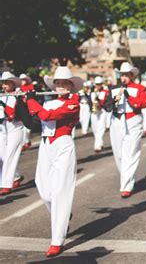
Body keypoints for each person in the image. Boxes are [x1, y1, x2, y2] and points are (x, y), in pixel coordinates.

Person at [25, 66, 83, 257]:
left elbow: (50, 117)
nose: (60, 86)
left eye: (64, 83)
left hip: (63, 146)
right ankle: (63, 217)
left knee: (60, 191)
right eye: (57, 83)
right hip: (45, 145)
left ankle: (57, 240)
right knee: (43, 188)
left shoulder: (74, 102)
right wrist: (22, 101)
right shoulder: (48, 102)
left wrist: (31, 100)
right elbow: (34, 121)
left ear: (71, 86)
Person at [105, 62, 146, 198]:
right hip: (116, 121)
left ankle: (126, 186)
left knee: (131, 153)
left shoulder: (139, 88)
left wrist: (129, 96)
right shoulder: (113, 89)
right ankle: (127, 178)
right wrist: (114, 100)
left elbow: (144, 103)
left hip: (133, 121)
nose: (123, 78)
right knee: (119, 155)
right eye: (121, 75)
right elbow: (105, 106)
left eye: (126, 75)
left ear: (132, 75)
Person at [0, 72, 27, 195]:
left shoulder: (19, 94)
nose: (4, 85)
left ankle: (6, 185)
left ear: (12, 83)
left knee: (10, 154)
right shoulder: (2, 95)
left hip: (16, 126)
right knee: (2, 156)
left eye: (6, 83)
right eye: (3, 83)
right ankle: (15, 177)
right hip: (3, 127)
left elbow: (15, 111)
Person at [90, 76, 109, 152]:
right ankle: (100, 144)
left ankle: (97, 146)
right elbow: (89, 102)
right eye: (97, 84)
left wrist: (100, 105)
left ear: (102, 84)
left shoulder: (105, 92)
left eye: (99, 84)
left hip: (102, 112)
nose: (98, 86)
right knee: (95, 129)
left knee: (101, 128)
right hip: (94, 112)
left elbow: (106, 102)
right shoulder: (92, 93)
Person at [19, 74, 34, 151]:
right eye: (21, 80)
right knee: (22, 126)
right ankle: (24, 143)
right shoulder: (19, 89)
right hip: (22, 109)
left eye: (24, 79)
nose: (22, 81)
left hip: (29, 108)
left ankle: (27, 141)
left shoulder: (30, 87)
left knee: (27, 127)